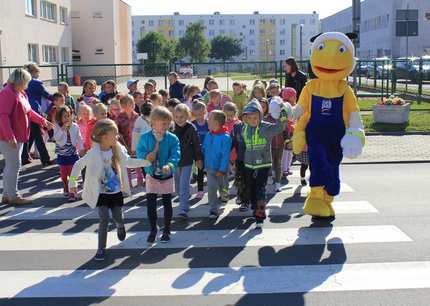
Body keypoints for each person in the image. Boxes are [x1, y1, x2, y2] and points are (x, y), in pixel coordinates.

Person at [69, 119, 150, 261]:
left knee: (118, 216)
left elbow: (129, 162)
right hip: (100, 193)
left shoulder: (117, 149)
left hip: (116, 192)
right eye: (115, 134)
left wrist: (147, 162)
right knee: (104, 218)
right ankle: (101, 248)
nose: (117, 136)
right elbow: (77, 165)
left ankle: (120, 225)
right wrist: (72, 183)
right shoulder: (93, 153)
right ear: (104, 137)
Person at [0, 68, 53, 204]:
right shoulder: (8, 93)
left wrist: (43, 121)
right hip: (10, 137)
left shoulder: (21, 93)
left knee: (11, 165)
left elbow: (29, 112)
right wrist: (9, 136)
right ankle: (13, 196)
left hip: (18, 136)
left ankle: (7, 195)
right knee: (14, 165)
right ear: (20, 81)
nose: (28, 84)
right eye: (26, 81)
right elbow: (3, 116)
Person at [240, 98, 290, 229]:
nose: (252, 120)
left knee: (260, 189)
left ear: (260, 116)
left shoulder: (265, 127)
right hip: (248, 165)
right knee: (251, 189)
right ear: (245, 118)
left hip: (263, 164)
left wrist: (283, 113)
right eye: (249, 118)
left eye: (255, 117)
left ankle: (260, 216)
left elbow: (280, 127)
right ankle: (255, 208)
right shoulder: (244, 129)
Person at [136, 106, 180, 243]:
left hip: (166, 175)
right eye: (163, 123)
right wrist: (146, 156)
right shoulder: (145, 138)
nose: (166, 126)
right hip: (151, 175)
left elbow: (176, 155)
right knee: (151, 204)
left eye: (168, 123)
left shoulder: (172, 138)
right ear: (153, 122)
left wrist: (170, 165)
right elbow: (140, 153)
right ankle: (153, 229)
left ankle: (166, 229)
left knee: (167, 203)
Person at [173, 104, 203, 219]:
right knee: (177, 184)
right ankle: (183, 200)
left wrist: (198, 158)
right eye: (177, 116)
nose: (179, 119)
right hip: (174, 161)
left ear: (187, 116)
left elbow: (196, 144)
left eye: (182, 117)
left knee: (184, 184)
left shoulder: (191, 128)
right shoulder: (171, 127)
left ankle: (183, 208)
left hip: (187, 160)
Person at [21, 63, 53, 166]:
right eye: (37, 72)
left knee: (29, 134)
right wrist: (57, 98)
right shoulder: (37, 83)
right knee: (38, 135)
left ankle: (24, 156)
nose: (38, 75)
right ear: (34, 72)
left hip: (24, 110)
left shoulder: (22, 82)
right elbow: (47, 95)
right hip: (34, 110)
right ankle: (45, 159)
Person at [203, 110, 232, 219]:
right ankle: (213, 209)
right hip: (210, 168)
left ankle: (224, 194)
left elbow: (225, 155)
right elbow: (204, 149)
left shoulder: (225, 137)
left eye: (209, 118)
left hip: (221, 169)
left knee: (223, 186)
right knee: (211, 188)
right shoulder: (208, 135)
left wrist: (222, 169)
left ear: (216, 122)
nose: (207, 120)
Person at [53, 106, 83, 201]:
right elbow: (56, 138)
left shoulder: (75, 126)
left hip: (73, 154)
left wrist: (81, 148)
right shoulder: (57, 126)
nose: (67, 118)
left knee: (73, 175)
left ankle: (72, 192)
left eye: (68, 116)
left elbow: (79, 138)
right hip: (62, 155)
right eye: (65, 116)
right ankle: (66, 186)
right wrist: (62, 129)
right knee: (63, 175)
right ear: (60, 118)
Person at [115, 94, 142, 188]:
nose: (133, 104)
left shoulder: (136, 115)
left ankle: (140, 180)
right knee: (127, 164)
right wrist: (118, 136)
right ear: (123, 106)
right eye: (130, 103)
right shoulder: (119, 117)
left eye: (133, 102)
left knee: (137, 162)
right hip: (125, 144)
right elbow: (116, 130)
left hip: (136, 143)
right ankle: (128, 182)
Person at [191, 101, 209, 200]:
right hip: (197, 153)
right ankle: (200, 190)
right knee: (200, 171)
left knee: (209, 171)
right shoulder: (192, 124)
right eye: (197, 114)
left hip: (208, 152)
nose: (199, 116)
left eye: (201, 114)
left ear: (205, 112)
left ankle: (214, 188)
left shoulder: (208, 123)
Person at [281, 87, 297, 178]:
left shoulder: (294, 105)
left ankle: (287, 168)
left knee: (290, 151)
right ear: (288, 96)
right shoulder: (285, 105)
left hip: (293, 130)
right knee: (286, 151)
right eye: (293, 96)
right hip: (287, 131)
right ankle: (284, 169)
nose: (295, 97)